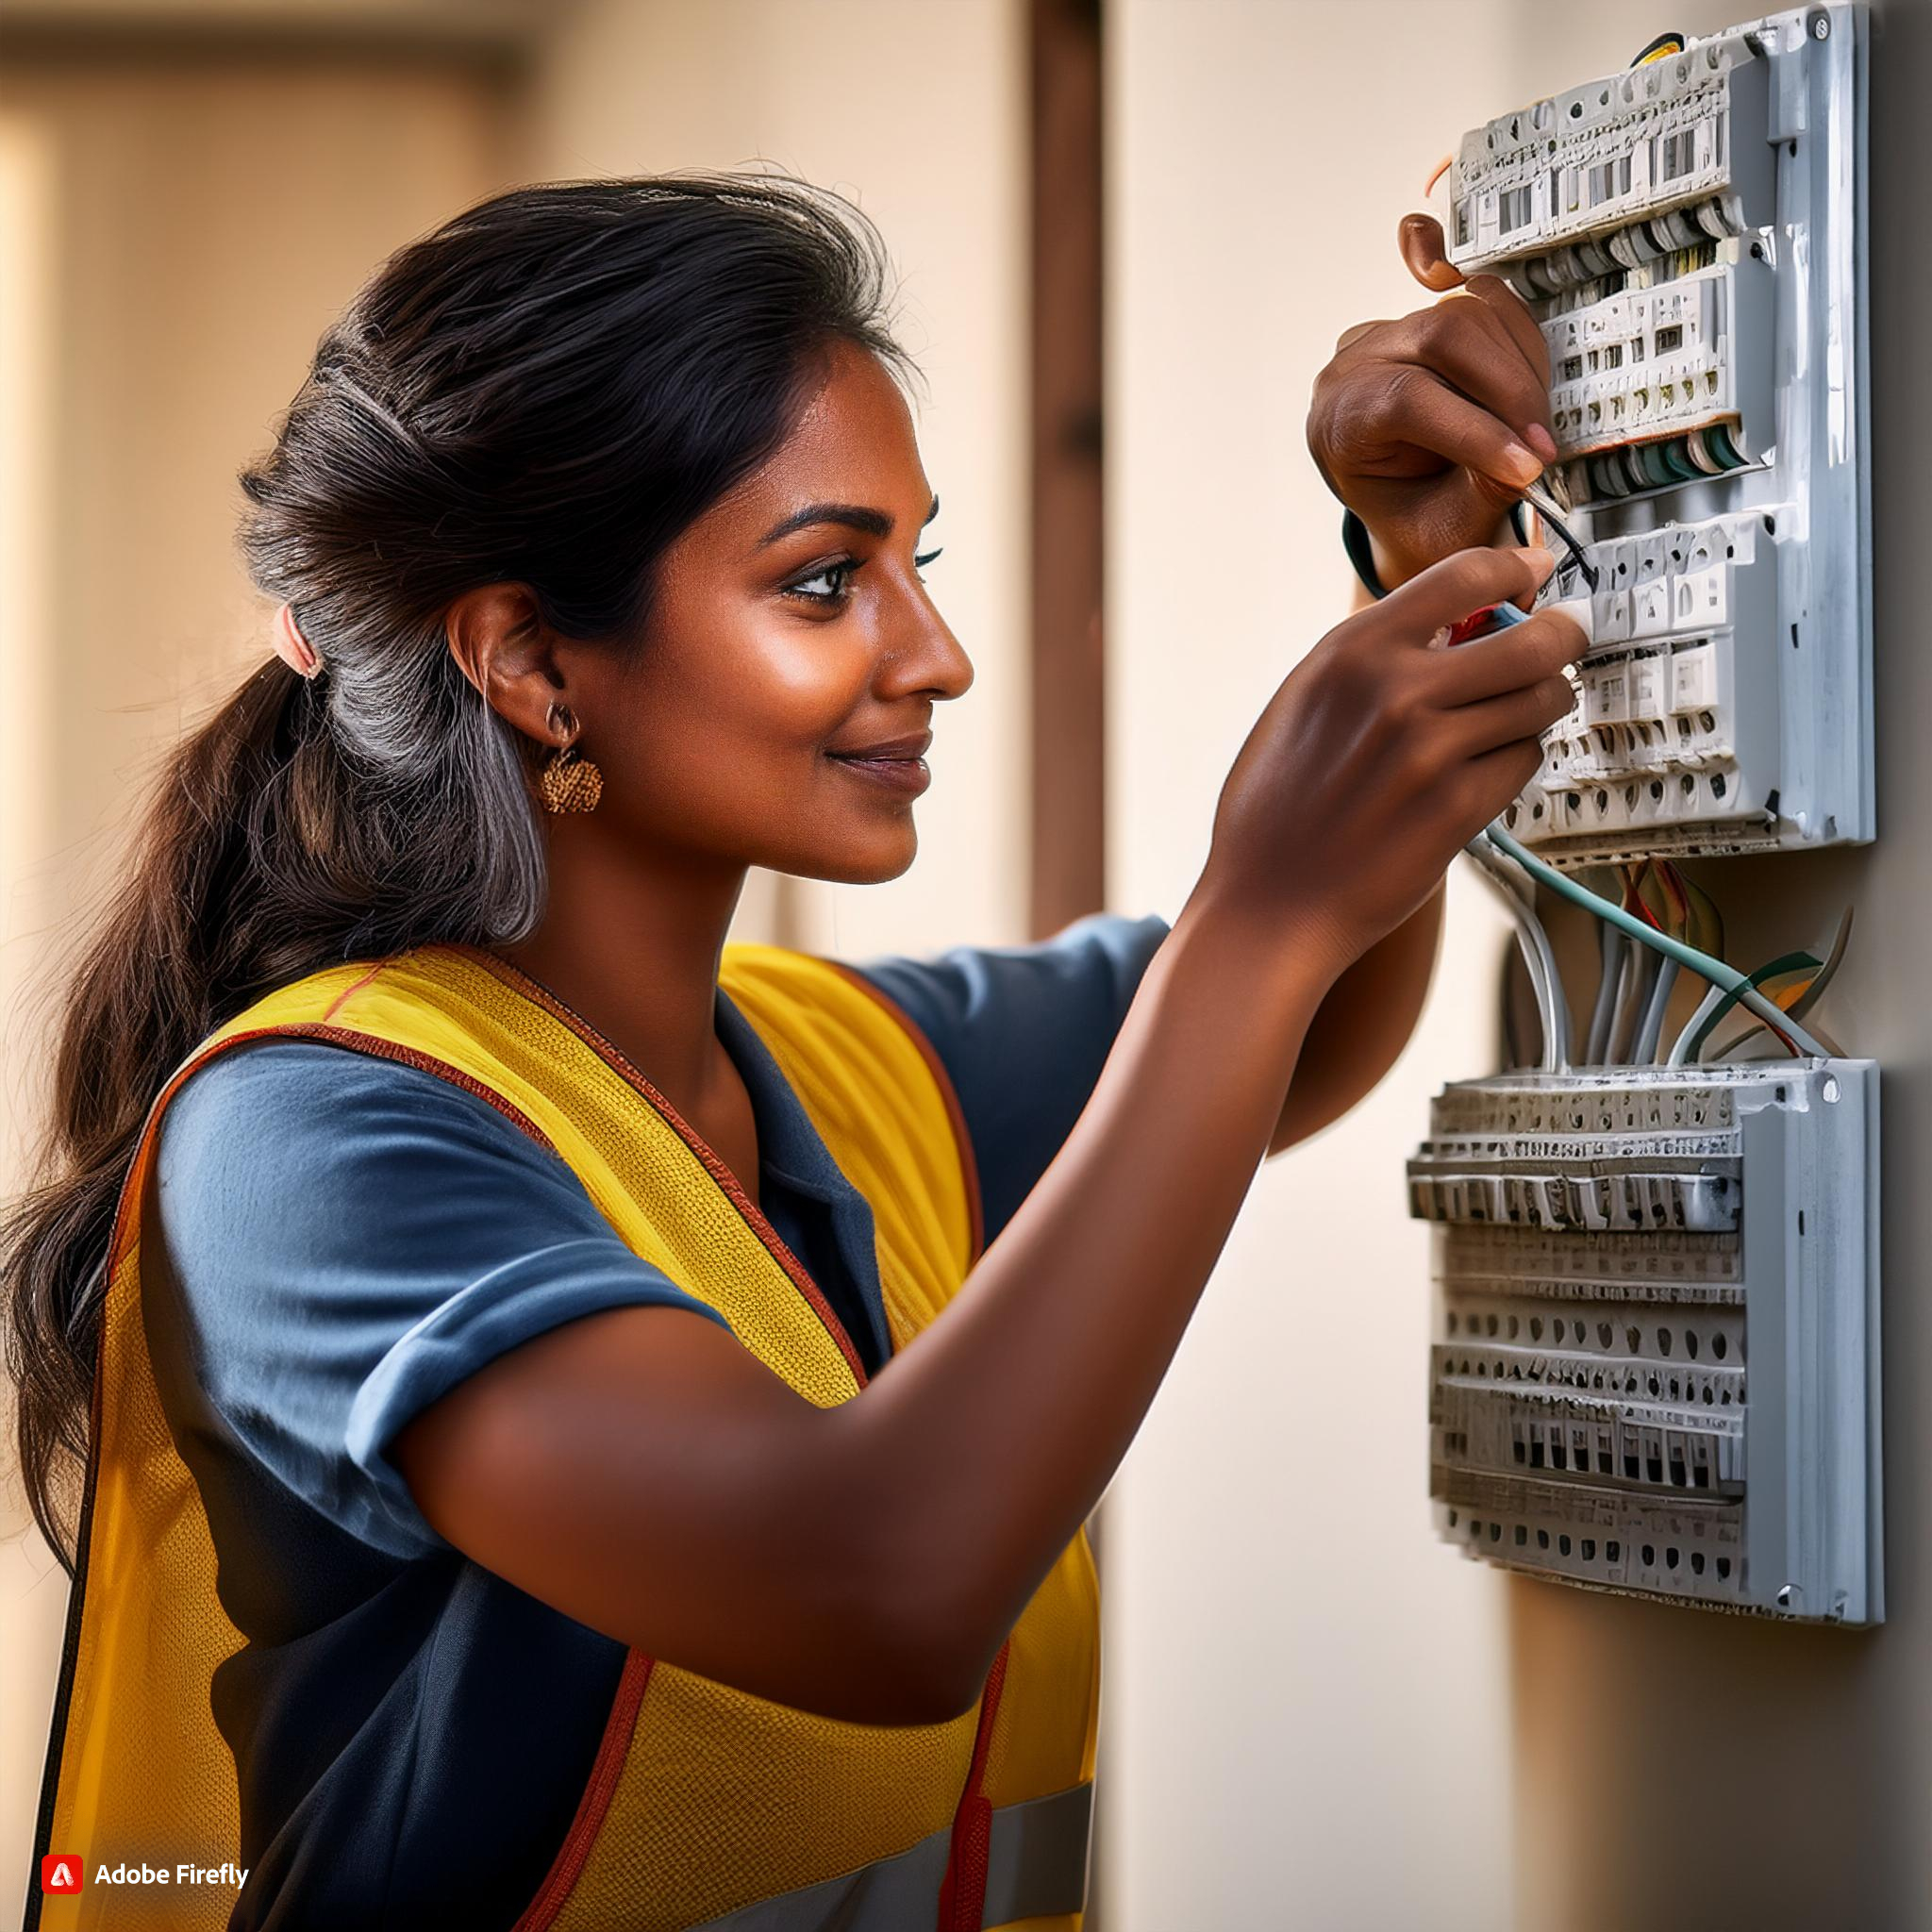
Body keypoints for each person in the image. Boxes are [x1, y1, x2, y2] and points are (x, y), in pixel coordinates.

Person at [6, 175, 1579, 1931]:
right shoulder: (315, 1142)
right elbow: (877, 1592)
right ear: (530, 658)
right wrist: (1256, 916)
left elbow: (1306, 1036)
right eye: (826, 580)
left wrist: (1423, 572)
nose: (942, 655)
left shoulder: (846, 1065)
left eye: (922, 562)